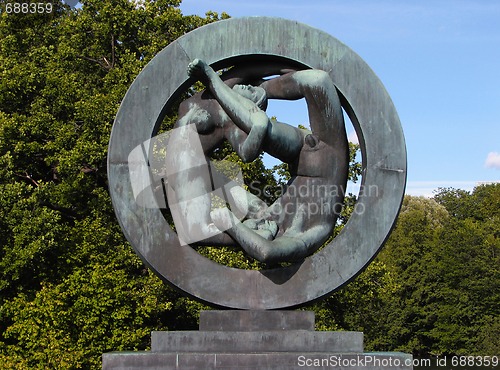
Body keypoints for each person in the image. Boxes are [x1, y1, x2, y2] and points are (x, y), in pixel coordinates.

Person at [187, 59, 349, 264]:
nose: (256, 224)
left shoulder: (270, 217)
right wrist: (230, 222)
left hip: (309, 157)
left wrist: (231, 224)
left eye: (252, 226)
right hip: (323, 154)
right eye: (256, 228)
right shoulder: (310, 231)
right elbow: (266, 252)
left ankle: (236, 96)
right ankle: (249, 97)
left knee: (261, 126)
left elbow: (263, 249)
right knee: (316, 81)